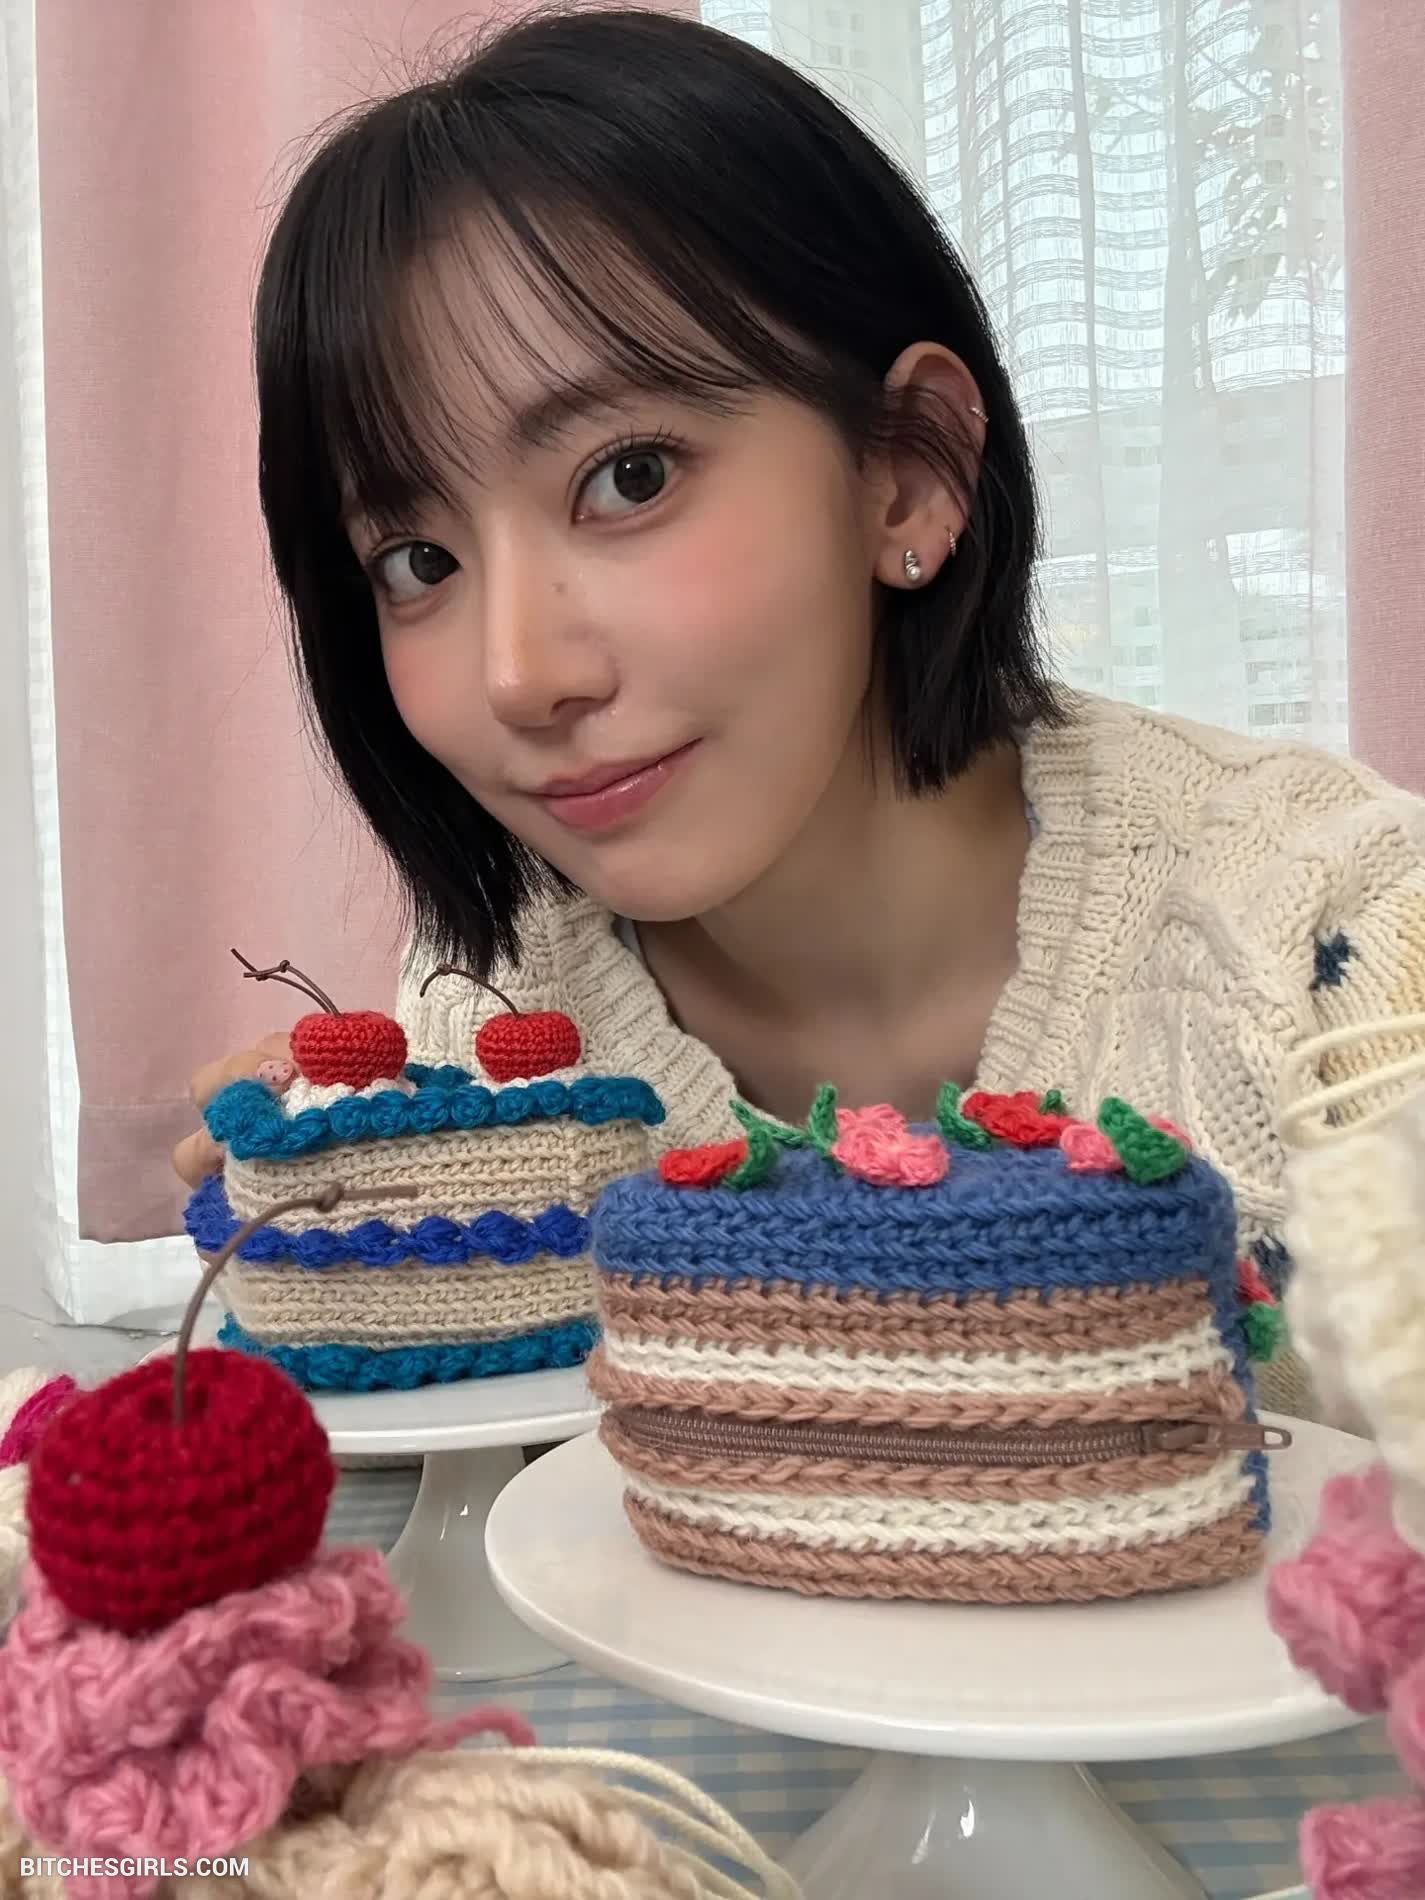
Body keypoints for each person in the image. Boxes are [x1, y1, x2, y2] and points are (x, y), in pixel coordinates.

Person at [172, 7, 1425, 1419]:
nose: (519, 673)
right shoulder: (496, 1019)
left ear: (908, 472)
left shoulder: (1342, 956)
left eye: (630, 478)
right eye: (417, 563)